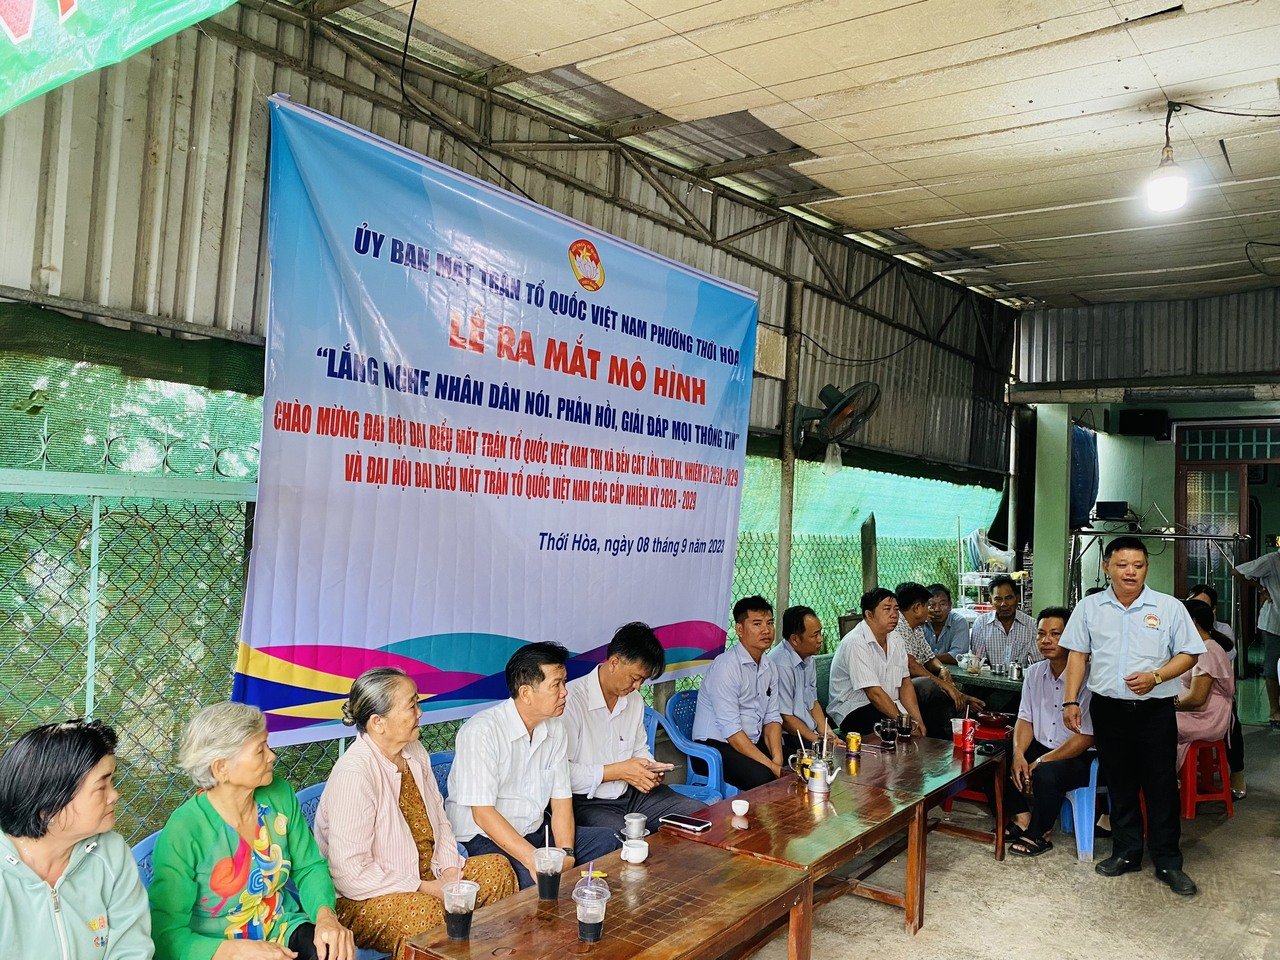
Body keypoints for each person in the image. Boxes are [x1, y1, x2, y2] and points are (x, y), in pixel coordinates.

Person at [316, 668, 516, 959]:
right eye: (411, 706)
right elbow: (350, 874)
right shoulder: (354, 774)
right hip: (364, 897)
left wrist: (450, 871)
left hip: (428, 876)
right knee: (427, 915)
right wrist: (425, 887)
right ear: (378, 723)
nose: (420, 713)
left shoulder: (414, 751)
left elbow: (440, 821)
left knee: (497, 870)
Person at [149, 702, 356, 960]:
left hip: (281, 929)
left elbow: (309, 866)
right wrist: (236, 951)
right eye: (260, 750)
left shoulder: (279, 795)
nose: (271, 756)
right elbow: (166, 935)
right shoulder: (185, 830)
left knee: (332, 952)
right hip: (218, 949)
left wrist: (326, 917)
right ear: (221, 768)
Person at [1061, 536, 1204, 897]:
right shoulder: (1090, 608)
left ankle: (1168, 860)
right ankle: (1126, 853)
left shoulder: (1169, 607)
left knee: (1160, 785)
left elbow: (1190, 654)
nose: (1130, 572)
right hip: (1108, 709)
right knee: (1120, 783)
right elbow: (1077, 656)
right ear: (1107, 566)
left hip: (1155, 712)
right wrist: (1070, 701)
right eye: (1122, 565)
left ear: (1146, 569)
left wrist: (1157, 676)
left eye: (1138, 566)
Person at [445, 642, 618, 889]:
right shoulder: (481, 731)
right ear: (526, 693)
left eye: (564, 683)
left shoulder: (555, 729)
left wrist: (566, 853)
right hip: (483, 838)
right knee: (531, 885)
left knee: (607, 841)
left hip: (534, 833)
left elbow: (561, 801)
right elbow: (483, 814)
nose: (565, 692)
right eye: (556, 685)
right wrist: (535, 861)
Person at [0, 720, 152, 960]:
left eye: (112, 782)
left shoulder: (111, 853)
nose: (114, 795)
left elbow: (131, 948)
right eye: (101, 787)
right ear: (50, 800)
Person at [563, 622, 704, 830]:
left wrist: (649, 769)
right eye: (635, 678)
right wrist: (618, 772)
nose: (637, 687)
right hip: (586, 802)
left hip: (632, 794)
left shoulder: (634, 700)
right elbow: (562, 774)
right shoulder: (571, 701)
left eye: (642, 681)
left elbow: (639, 748)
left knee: (697, 815)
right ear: (614, 663)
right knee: (625, 838)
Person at [1006, 608, 1097, 857]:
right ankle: (1022, 818)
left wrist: (1040, 761)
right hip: (1043, 745)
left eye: (1056, 634)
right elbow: (1025, 719)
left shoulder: (1090, 677)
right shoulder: (1035, 673)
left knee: (1046, 773)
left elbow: (1086, 736)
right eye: (1041, 634)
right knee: (999, 752)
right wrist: (1018, 753)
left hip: (1079, 755)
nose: (1046, 640)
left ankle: (1040, 832)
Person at [692, 596, 785, 790]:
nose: (766, 630)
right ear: (740, 629)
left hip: (749, 742)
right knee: (764, 777)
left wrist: (777, 758)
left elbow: (772, 717)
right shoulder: (726, 667)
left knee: (799, 761)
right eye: (757, 624)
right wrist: (772, 767)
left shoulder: (769, 666)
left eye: (770, 623)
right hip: (715, 747)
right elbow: (732, 732)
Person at [827, 588, 926, 736]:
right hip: (854, 708)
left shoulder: (896, 639)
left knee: (930, 705)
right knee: (888, 725)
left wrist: (917, 721)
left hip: (888, 704)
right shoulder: (856, 642)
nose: (894, 614)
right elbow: (874, 693)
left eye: (896, 609)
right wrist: (904, 722)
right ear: (869, 614)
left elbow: (905, 683)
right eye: (887, 609)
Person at [894, 582, 982, 738]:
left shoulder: (916, 628)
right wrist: (946, 686)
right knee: (930, 685)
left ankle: (956, 731)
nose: (933, 610)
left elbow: (929, 657)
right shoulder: (899, 626)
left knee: (944, 685)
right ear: (917, 608)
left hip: (911, 682)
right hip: (900, 685)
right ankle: (946, 736)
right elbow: (911, 665)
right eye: (928, 605)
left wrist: (942, 669)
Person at [1186, 583, 1245, 798]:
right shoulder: (1188, 638)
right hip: (1196, 697)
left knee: (1158, 724)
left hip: (1210, 702)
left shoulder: (1212, 643)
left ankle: (1237, 772)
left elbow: (1200, 691)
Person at [767, 606, 842, 755]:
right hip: (791, 735)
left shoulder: (808, 657)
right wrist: (819, 741)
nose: (820, 639)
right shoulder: (781, 665)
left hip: (809, 731)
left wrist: (828, 734)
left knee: (844, 750)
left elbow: (813, 702)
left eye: (820, 632)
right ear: (795, 639)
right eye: (814, 635)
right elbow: (786, 719)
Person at [1175, 600, 1235, 772]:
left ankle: (1164, 778)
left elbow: (1197, 698)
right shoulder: (1201, 647)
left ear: (1192, 621)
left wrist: (1167, 704)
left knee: (1155, 722)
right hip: (1199, 714)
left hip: (1207, 718)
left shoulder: (1206, 651)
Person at [1232, 548, 1280, 727]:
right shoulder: (1271, 560)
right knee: (1272, 668)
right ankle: (1275, 712)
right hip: (1275, 622)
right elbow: (1238, 571)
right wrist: (1261, 590)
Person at [971, 575, 1040, 666]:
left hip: (1022, 675)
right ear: (991, 601)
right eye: (998, 599)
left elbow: (1037, 662)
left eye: (1009, 598)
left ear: (1017, 599)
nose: (1003, 604)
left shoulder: (1032, 625)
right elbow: (978, 661)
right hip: (989, 675)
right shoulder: (981, 624)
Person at [923, 584, 971, 664]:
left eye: (942, 604)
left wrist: (925, 658)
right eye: (932, 605)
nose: (937, 609)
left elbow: (958, 656)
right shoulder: (919, 623)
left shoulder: (959, 622)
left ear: (950, 606)